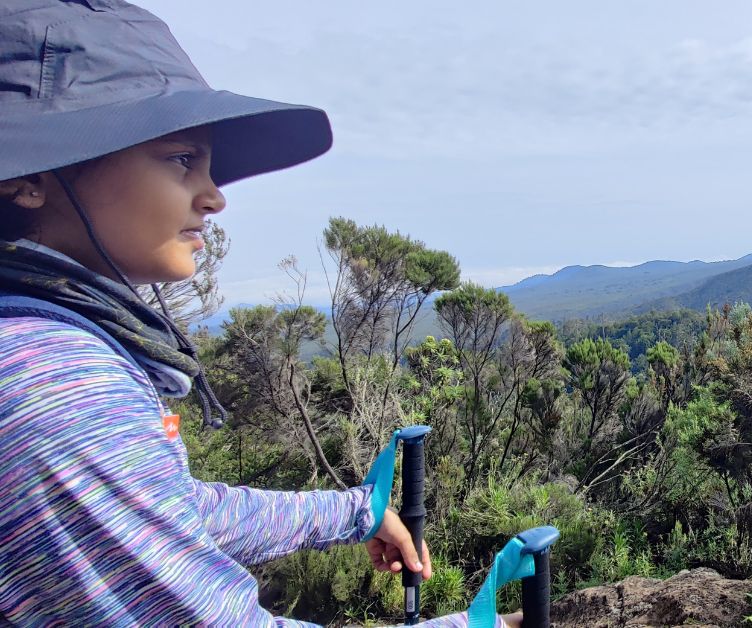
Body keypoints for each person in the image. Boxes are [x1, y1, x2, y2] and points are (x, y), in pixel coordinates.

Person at [0, 2, 514, 626]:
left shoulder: (38, 338)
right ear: (31, 175)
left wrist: (356, 511)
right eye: (180, 158)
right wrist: (471, 625)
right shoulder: (56, 387)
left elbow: (167, 510)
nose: (214, 196)